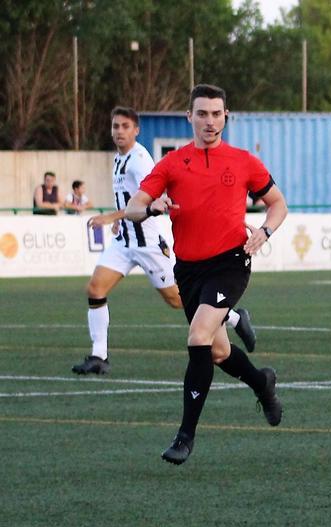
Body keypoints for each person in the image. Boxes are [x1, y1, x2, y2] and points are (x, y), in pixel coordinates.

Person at [122, 84, 285, 465]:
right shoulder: (172, 164)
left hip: (231, 263)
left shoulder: (244, 161)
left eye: (216, 114)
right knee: (217, 350)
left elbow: (278, 204)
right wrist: (152, 207)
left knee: (197, 336)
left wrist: (264, 232)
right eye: (202, 114)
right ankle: (262, 383)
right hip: (189, 269)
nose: (210, 121)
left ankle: (185, 436)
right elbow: (132, 207)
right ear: (189, 118)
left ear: (226, 116)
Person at [74, 106, 255, 377]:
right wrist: (119, 220)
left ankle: (233, 316)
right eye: (115, 126)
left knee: (179, 300)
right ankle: (99, 355)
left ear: (136, 130)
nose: (119, 131)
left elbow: (150, 199)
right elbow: (128, 199)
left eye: (125, 126)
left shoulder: (140, 159)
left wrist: (111, 215)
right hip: (125, 240)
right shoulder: (119, 159)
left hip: (148, 241)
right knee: (95, 288)